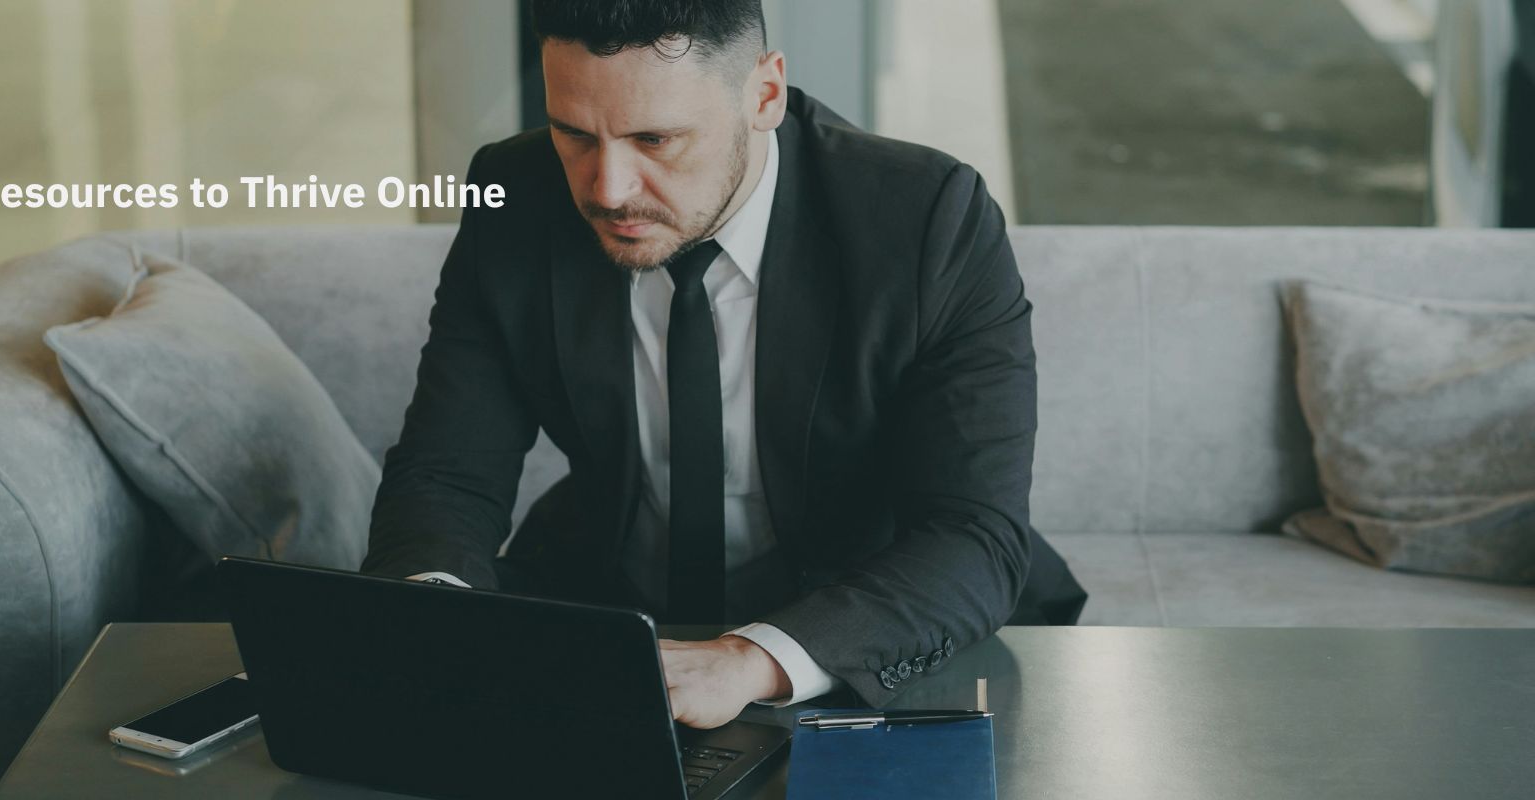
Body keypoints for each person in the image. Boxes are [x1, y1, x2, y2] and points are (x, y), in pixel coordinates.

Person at [363, 0, 1085, 730]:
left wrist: (748, 660)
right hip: (610, 610)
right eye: (574, 134)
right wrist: (432, 615)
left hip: (869, 625)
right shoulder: (513, 193)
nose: (608, 188)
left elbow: (971, 533)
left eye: (655, 139)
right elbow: (446, 471)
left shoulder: (927, 217)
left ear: (764, 94)